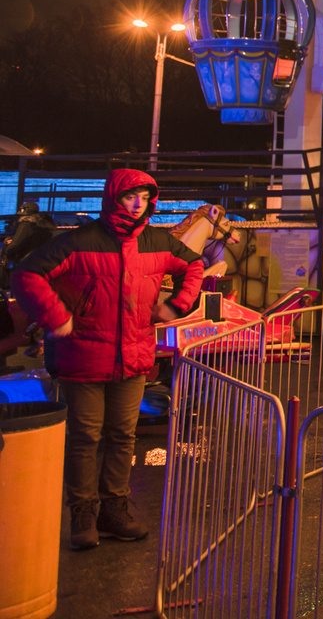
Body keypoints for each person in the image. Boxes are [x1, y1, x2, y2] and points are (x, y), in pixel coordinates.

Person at [13, 169, 205, 551]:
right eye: (130, 196)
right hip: (82, 358)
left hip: (133, 356)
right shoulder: (78, 241)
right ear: (113, 197)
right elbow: (27, 274)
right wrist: (56, 317)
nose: (138, 204)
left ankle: (114, 511)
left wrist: (178, 305)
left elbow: (193, 266)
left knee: (122, 436)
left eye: (144, 198)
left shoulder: (157, 241)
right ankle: (82, 513)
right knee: (84, 438)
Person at [2, 200, 55, 291]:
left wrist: (7, 251)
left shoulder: (27, 225)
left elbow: (17, 243)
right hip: (39, 260)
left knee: (20, 287)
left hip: (24, 260)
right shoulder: (44, 226)